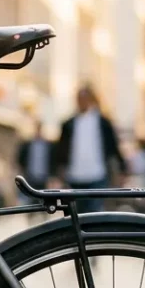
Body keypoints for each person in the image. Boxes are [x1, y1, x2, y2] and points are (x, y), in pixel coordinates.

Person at [53, 85, 125, 214]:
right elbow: (60, 150)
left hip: (97, 175)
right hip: (74, 176)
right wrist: (59, 170)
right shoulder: (69, 124)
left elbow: (113, 147)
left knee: (93, 213)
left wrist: (122, 169)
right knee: (76, 213)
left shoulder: (103, 123)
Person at [17, 122, 54, 194]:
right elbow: (21, 159)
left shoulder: (48, 145)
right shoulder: (28, 144)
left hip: (43, 177)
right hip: (30, 176)